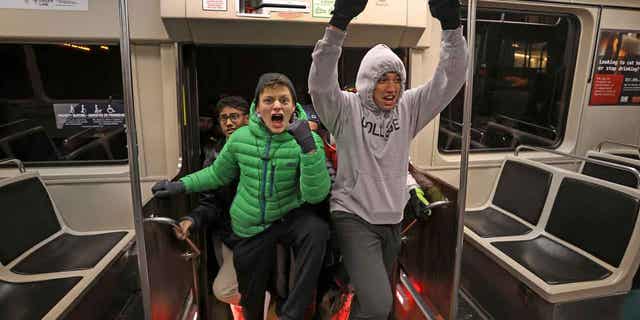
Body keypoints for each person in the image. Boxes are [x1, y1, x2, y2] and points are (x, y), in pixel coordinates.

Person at [307, 0, 468, 318]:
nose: (391, 87)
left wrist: (451, 26)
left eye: (396, 79)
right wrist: (338, 24)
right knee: (380, 306)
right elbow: (320, 82)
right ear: (367, 81)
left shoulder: (409, 107)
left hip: (392, 220)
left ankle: (342, 294)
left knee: (373, 302)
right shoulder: (345, 109)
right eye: (382, 79)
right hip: (353, 217)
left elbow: (450, 78)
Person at [153, 72, 331, 320]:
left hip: (287, 215)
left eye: (284, 100)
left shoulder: (308, 140)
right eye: (269, 100)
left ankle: (292, 313)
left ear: (293, 106)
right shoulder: (239, 139)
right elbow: (216, 175)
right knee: (251, 295)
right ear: (257, 108)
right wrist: (180, 186)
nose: (277, 105)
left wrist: (308, 148)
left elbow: (316, 194)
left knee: (317, 230)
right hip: (252, 223)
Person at [173, 96, 249, 316]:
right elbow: (211, 201)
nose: (228, 122)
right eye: (224, 118)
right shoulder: (215, 154)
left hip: (256, 235)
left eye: (234, 116)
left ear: (248, 118)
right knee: (232, 293)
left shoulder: (263, 147)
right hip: (226, 233)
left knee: (227, 289)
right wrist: (192, 219)